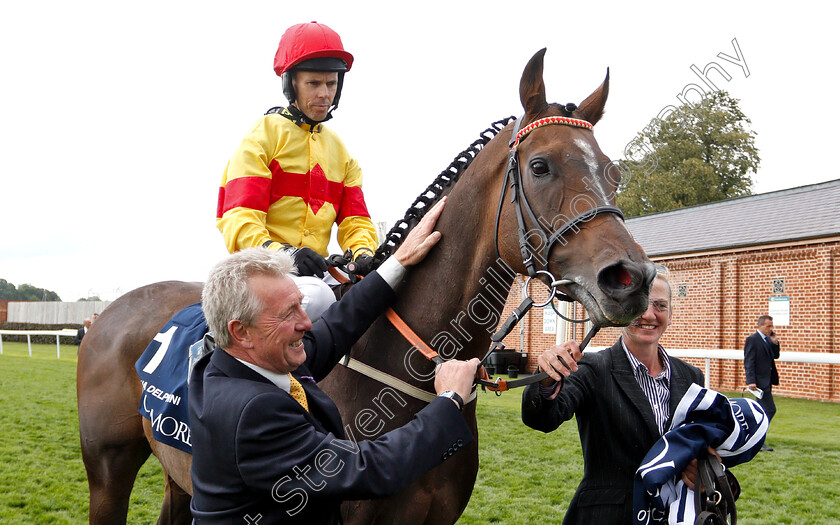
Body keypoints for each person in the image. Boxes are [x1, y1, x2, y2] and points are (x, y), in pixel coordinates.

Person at [190, 198, 480, 524]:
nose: (306, 322)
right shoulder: (252, 411)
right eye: (289, 313)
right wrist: (449, 400)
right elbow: (368, 469)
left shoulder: (247, 361)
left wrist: (399, 260)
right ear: (241, 331)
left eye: (301, 306)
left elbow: (337, 325)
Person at [215, 21, 378, 318]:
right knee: (317, 299)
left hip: (319, 272)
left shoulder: (342, 154)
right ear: (291, 83)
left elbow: (356, 222)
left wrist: (364, 254)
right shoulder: (260, 139)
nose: (324, 94)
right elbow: (239, 221)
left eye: (331, 84)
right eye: (313, 84)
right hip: (263, 271)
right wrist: (285, 255)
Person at [521, 269, 705, 524]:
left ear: (670, 314)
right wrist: (547, 375)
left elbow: (701, 440)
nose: (649, 314)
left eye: (660, 306)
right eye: (637, 304)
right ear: (620, 312)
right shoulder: (593, 369)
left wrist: (703, 464)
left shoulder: (691, 377)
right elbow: (542, 418)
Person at [743, 314, 780, 451]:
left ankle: (755, 438)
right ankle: (757, 438)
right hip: (759, 383)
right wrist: (751, 381)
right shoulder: (752, 340)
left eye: (772, 326)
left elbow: (775, 356)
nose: (771, 329)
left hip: (767, 380)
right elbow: (749, 361)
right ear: (760, 326)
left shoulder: (768, 340)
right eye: (768, 326)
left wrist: (775, 343)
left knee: (762, 410)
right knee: (769, 409)